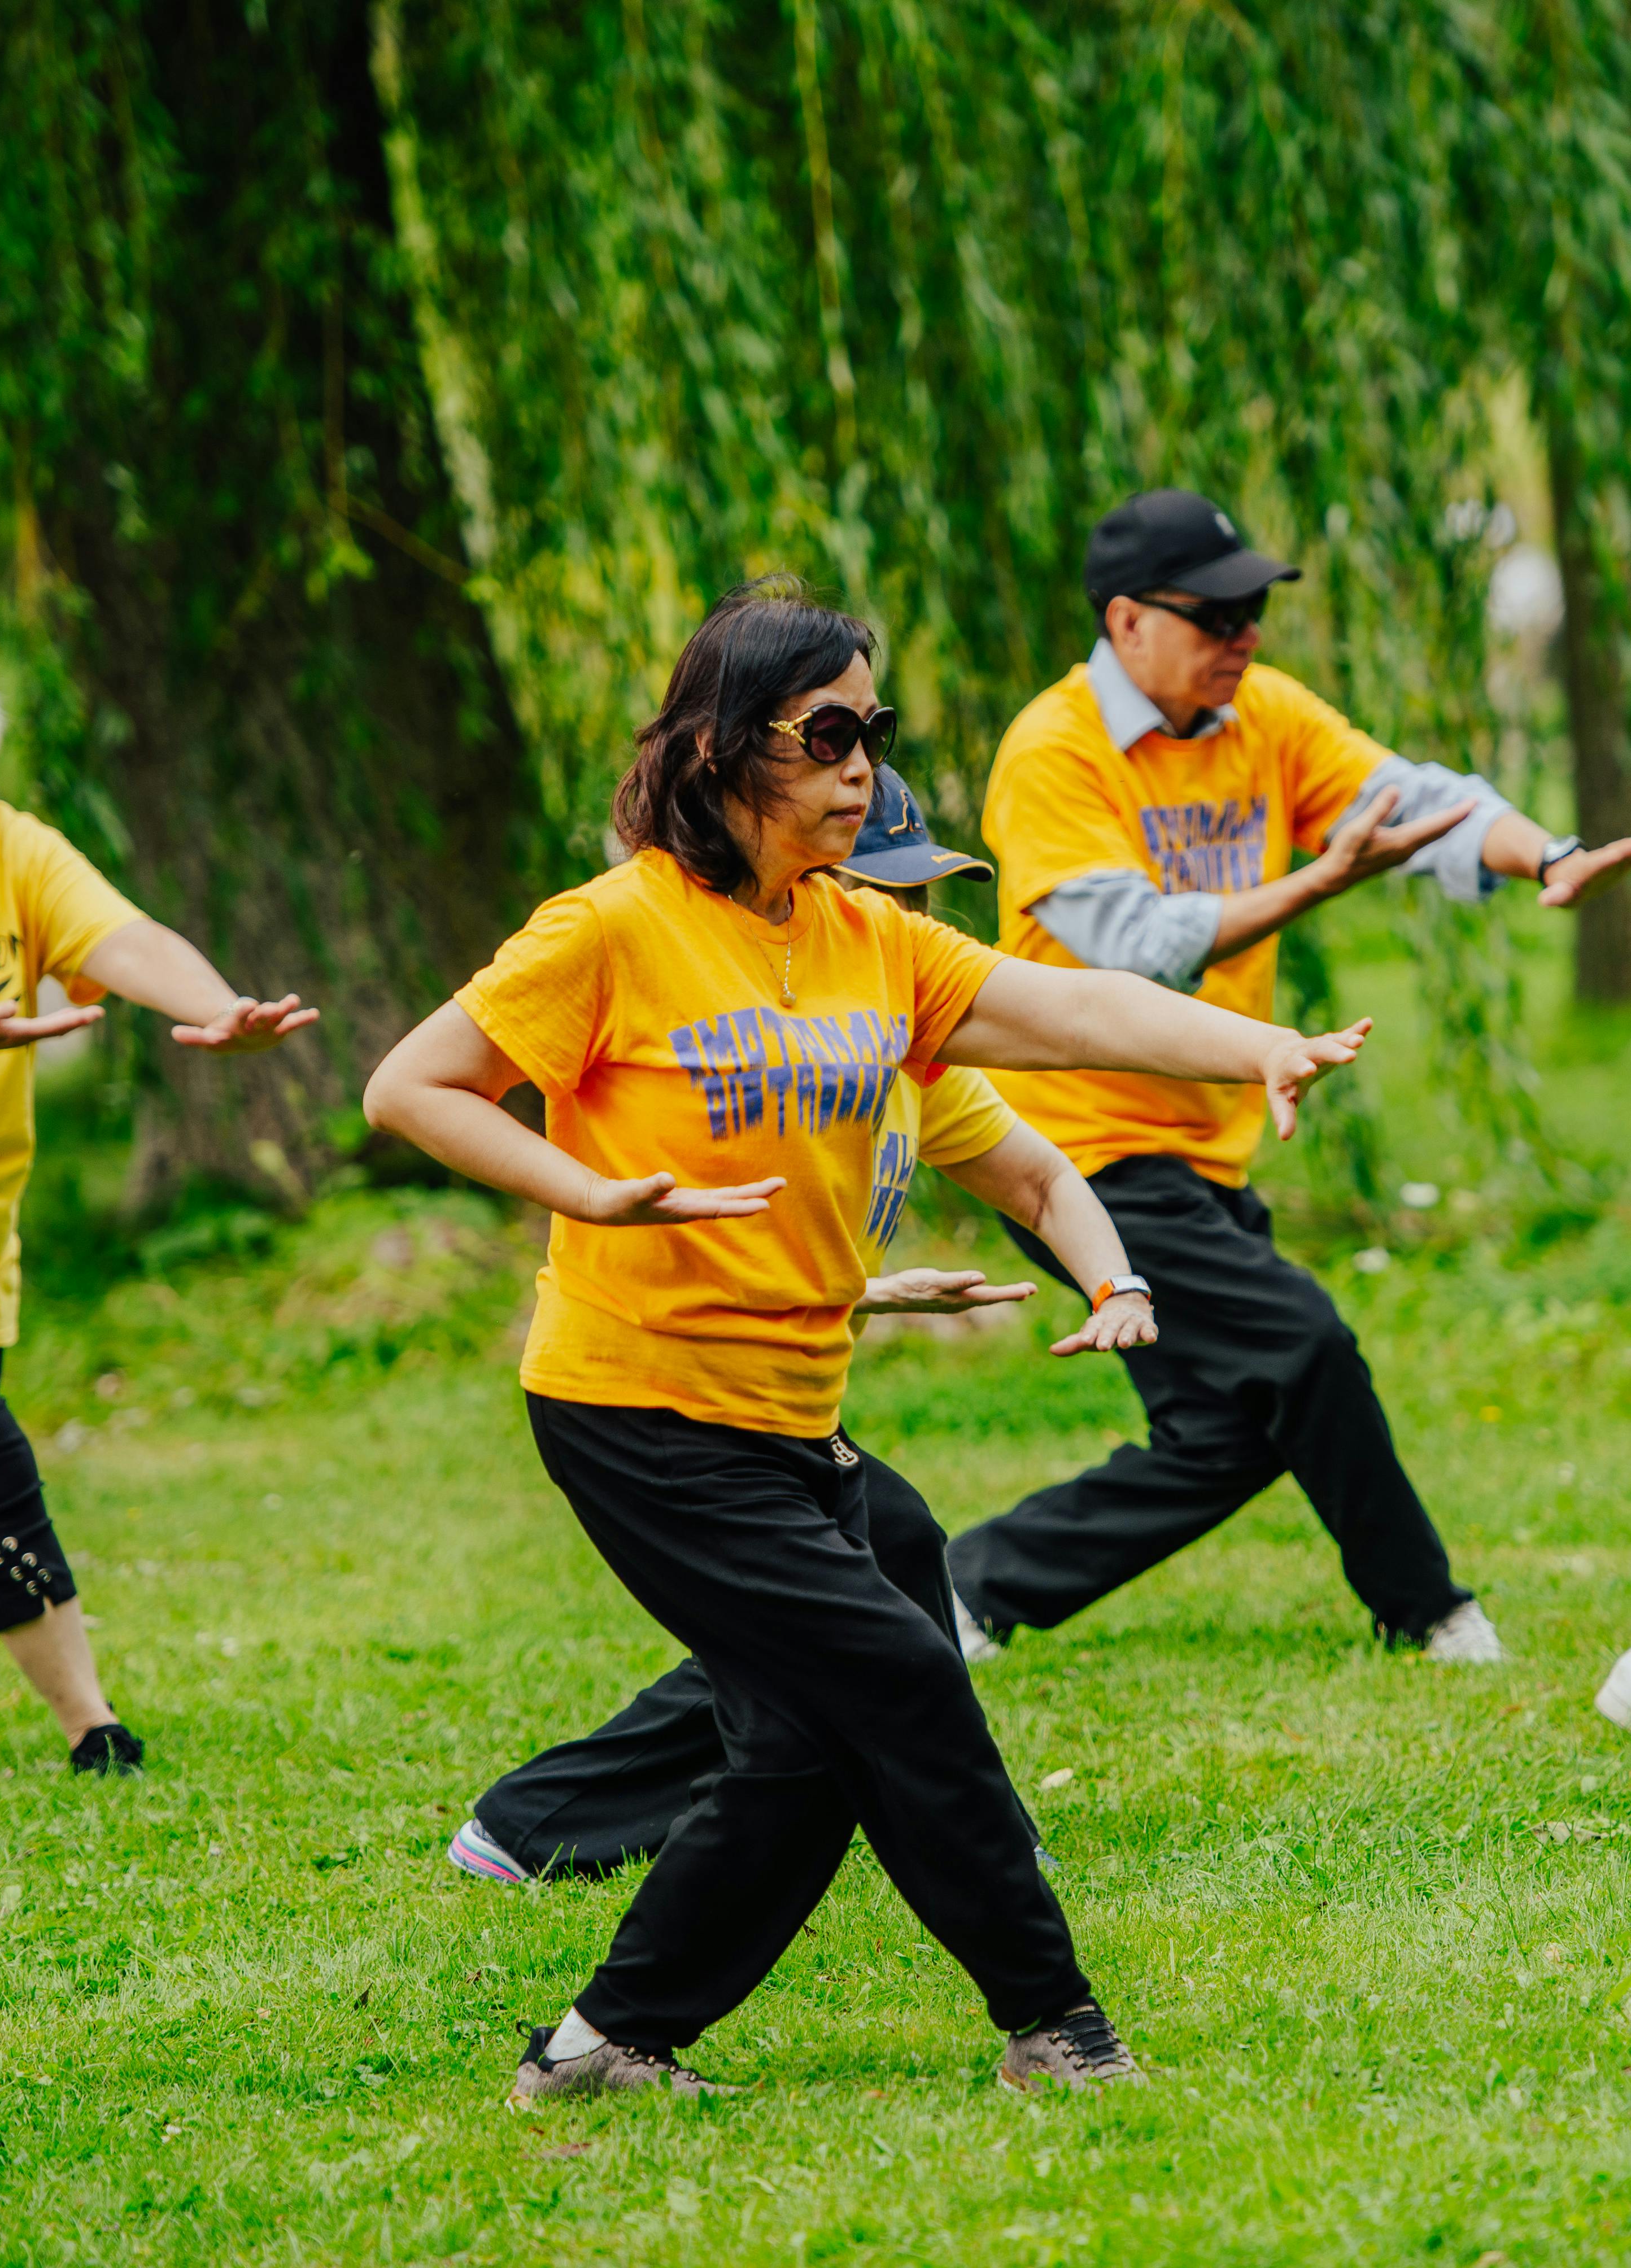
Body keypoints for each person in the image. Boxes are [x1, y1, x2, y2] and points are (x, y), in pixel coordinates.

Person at [364, 574, 1367, 2103]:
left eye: (872, 734)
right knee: (898, 1677)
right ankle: (1058, 2028)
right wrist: (590, 1193)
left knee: (805, 1746)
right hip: (637, 1408)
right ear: (718, 753)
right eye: (827, 733)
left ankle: (604, 2048)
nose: (861, 770)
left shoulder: (869, 945)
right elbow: (412, 1088)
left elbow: (1076, 1014)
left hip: (788, 1410)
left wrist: (1264, 1045)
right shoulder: (613, 930)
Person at [945, 487, 1631, 1671]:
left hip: (1203, 1140)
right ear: (1127, 622)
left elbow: (1415, 802)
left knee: (1229, 1431)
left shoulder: (1261, 713)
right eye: (1217, 614)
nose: (1246, 636)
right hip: (1075, 1150)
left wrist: (1548, 855)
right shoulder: (1052, 751)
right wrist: (1318, 885)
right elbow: (1133, 943)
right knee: (1307, 1345)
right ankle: (1430, 1611)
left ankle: (965, 1588)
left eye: (1255, 610)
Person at [444, 767, 1158, 1889]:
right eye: (893, 891)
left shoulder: (902, 1050)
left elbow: (1032, 1176)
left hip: (774, 1390)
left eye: (929, 893)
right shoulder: (716, 1002)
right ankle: (556, 1830)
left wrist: (1108, 1288)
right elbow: (708, 1224)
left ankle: (540, 1823)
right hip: (656, 1391)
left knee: (885, 1561)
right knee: (845, 1630)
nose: (916, 921)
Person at [0, 799, 317, 1773]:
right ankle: (92, 1726)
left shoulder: (12, 848)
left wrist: (218, 1007)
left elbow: (125, 938)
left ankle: (91, 1726)